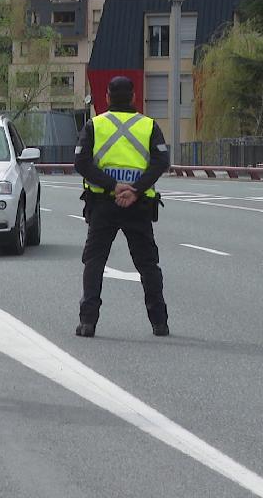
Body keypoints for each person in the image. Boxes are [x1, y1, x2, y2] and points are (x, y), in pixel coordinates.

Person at [74, 76, 170, 338]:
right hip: (138, 206)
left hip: (103, 204)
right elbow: (161, 161)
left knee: (94, 261)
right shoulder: (149, 126)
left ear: (106, 97)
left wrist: (112, 186)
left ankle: (87, 323)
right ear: (133, 97)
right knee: (148, 265)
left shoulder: (95, 125)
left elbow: (81, 163)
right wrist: (135, 190)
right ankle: (159, 323)